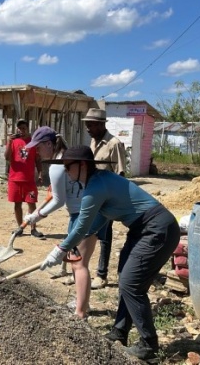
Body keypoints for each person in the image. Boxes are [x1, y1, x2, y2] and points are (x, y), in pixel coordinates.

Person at [39, 145, 180, 361]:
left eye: (68, 167)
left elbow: (81, 226)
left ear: (82, 165)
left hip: (156, 228)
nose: (66, 172)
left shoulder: (95, 188)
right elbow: (95, 222)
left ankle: (149, 346)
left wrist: (60, 249)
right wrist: (71, 244)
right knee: (126, 277)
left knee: (131, 284)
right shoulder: (98, 183)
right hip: (141, 229)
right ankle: (120, 333)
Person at [22, 126, 98, 319]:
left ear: (49, 144)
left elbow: (58, 200)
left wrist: (36, 216)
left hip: (81, 214)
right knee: (79, 262)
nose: (37, 152)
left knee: (78, 264)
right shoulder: (68, 156)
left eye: (38, 147)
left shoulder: (57, 165)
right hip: (90, 211)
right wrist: (38, 212)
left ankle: (80, 313)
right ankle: (83, 304)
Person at [83, 108, 126, 290]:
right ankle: (81, 270)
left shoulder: (114, 144)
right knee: (88, 232)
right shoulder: (93, 143)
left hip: (107, 198)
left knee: (105, 237)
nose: (87, 129)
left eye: (91, 125)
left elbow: (121, 173)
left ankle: (102, 274)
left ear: (101, 125)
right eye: (86, 125)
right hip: (93, 196)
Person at [4, 119, 44, 238]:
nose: (22, 130)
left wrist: (41, 173)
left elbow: (37, 160)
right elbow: (7, 157)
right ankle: (20, 227)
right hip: (15, 179)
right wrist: (9, 142)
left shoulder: (33, 142)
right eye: (20, 128)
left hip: (29, 181)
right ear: (17, 129)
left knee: (31, 204)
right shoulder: (13, 141)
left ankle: (33, 229)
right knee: (17, 205)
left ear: (28, 129)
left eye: (24, 128)